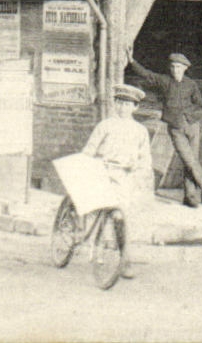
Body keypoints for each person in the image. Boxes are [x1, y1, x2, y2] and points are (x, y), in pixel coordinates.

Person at [78, 83, 153, 277]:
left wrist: (140, 173)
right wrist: (87, 165)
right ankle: (94, 248)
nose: (122, 108)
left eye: (127, 104)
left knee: (121, 217)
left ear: (135, 107)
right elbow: (90, 149)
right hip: (102, 171)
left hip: (124, 177)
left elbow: (145, 159)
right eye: (119, 103)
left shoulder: (140, 131)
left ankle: (125, 260)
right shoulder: (105, 125)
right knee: (96, 210)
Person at [128, 51, 202, 207]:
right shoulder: (165, 81)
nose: (175, 70)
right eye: (173, 67)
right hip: (175, 128)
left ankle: (190, 197)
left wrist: (188, 112)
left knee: (191, 161)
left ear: (185, 68)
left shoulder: (191, 84)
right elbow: (147, 74)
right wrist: (132, 61)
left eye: (178, 67)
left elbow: (198, 102)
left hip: (192, 126)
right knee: (188, 159)